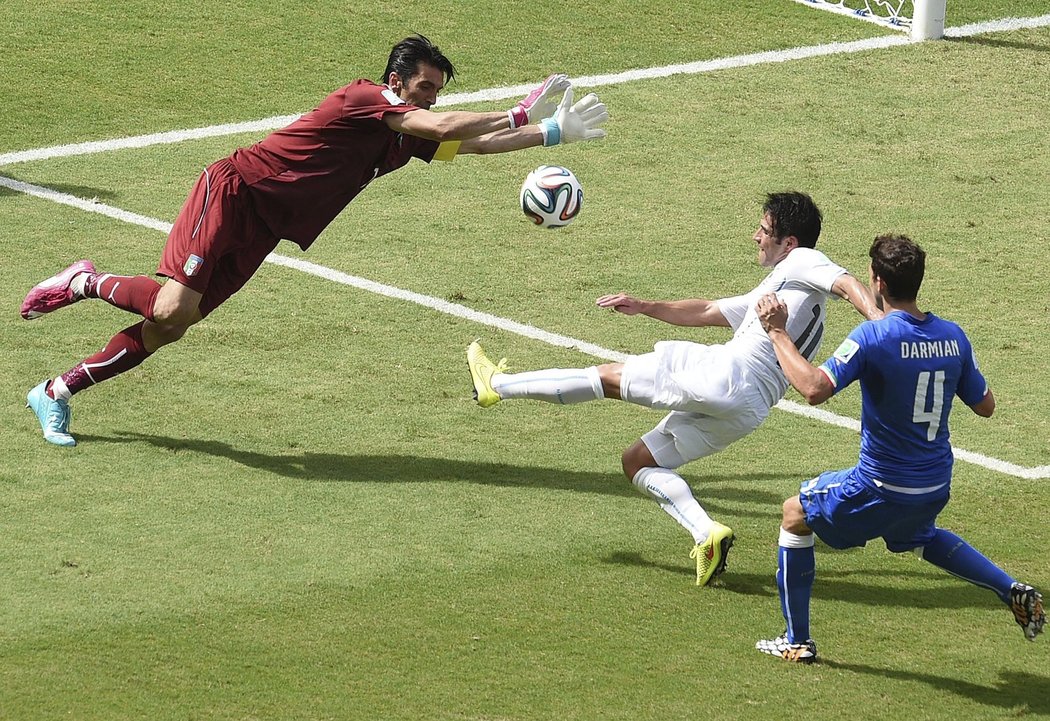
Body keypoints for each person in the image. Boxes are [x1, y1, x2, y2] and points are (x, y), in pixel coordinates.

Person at [20, 34, 609, 448]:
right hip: (231, 193)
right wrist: (516, 113)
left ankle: (56, 391)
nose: (431, 96)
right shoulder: (365, 101)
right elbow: (447, 125)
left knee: (173, 325)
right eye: (426, 86)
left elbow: (467, 143)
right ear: (396, 80)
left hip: (266, 228)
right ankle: (83, 280)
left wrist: (552, 134)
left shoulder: (408, 135)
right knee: (174, 303)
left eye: (436, 90)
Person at [466, 191, 883, 586]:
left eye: (763, 229)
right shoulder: (780, 290)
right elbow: (707, 311)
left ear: (788, 241)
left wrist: (882, 322)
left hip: (726, 373)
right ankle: (707, 533)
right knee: (638, 462)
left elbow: (847, 283)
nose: (755, 236)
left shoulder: (803, 260)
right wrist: (647, 307)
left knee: (605, 377)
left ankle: (497, 385)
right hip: (749, 408)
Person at [753, 234, 1044, 664]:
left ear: (878, 283)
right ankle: (1009, 588)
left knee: (795, 513)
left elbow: (814, 389)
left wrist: (777, 333)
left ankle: (797, 641)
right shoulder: (953, 336)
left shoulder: (874, 337)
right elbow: (986, 406)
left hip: (879, 485)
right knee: (916, 535)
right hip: (933, 484)